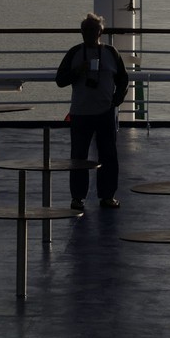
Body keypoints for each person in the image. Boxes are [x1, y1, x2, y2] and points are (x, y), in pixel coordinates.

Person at [54, 13, 129, 210]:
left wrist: (116, 100)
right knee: (78, 157)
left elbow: (123, 79)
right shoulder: (74, 53)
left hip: (105, 112)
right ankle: (78, 197)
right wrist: (77, 71)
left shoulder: (111, 53)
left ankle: (107, 196)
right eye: (85, 30)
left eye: (92, 30)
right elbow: (60, 80)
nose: (88, 34)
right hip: (80, 113)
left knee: (108, 156)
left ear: (100, 32)